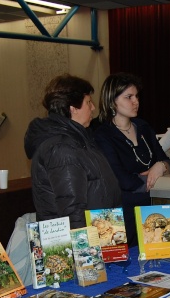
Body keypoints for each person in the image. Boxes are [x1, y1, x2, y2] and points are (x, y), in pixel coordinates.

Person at [24, 74, 122, 229]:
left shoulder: (81, 140)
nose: (93, 108)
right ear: (73, 108)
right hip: (80, 244)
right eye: (88, 102)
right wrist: (85, 250)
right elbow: (72, 210)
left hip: (100, 236)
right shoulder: (62, 149)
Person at [94, 73, 170, 243]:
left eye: (136, 96)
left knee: (160, 262)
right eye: (129, 97)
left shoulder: (143, 127)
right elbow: (121, 180)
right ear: (111, 100)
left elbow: (168, 163)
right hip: (121, 214)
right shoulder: (102, 134)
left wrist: (160, 166)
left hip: (154, 208)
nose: (136, 101)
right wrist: (155, 180)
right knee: (125, 266)